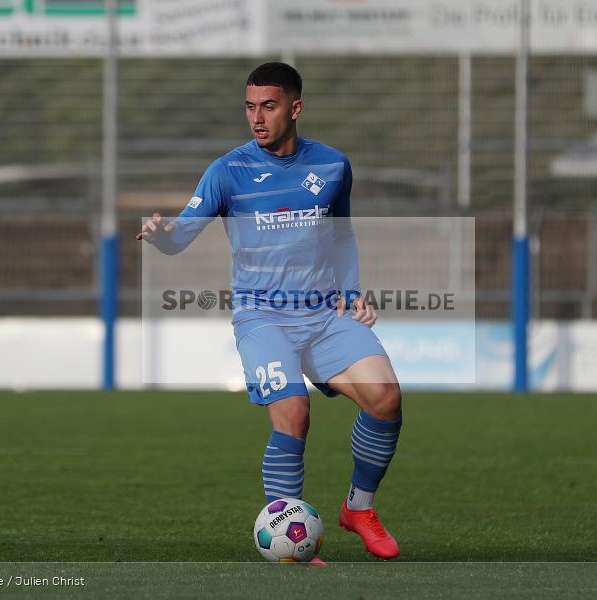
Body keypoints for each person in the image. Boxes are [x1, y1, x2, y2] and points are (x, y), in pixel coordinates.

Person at [137, 62, 402, 560]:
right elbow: (181, 237)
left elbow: (342, 235)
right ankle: (290, 537)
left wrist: (353, 290)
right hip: (263, 316)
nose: (256, 117)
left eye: (269, 106)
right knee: (294, 412)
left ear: (295, 108)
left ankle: (358, 509)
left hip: (325, 315)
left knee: (386, 399)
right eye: (250, 107)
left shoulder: (332, 166)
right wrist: (162, 237)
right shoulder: (226, 171)